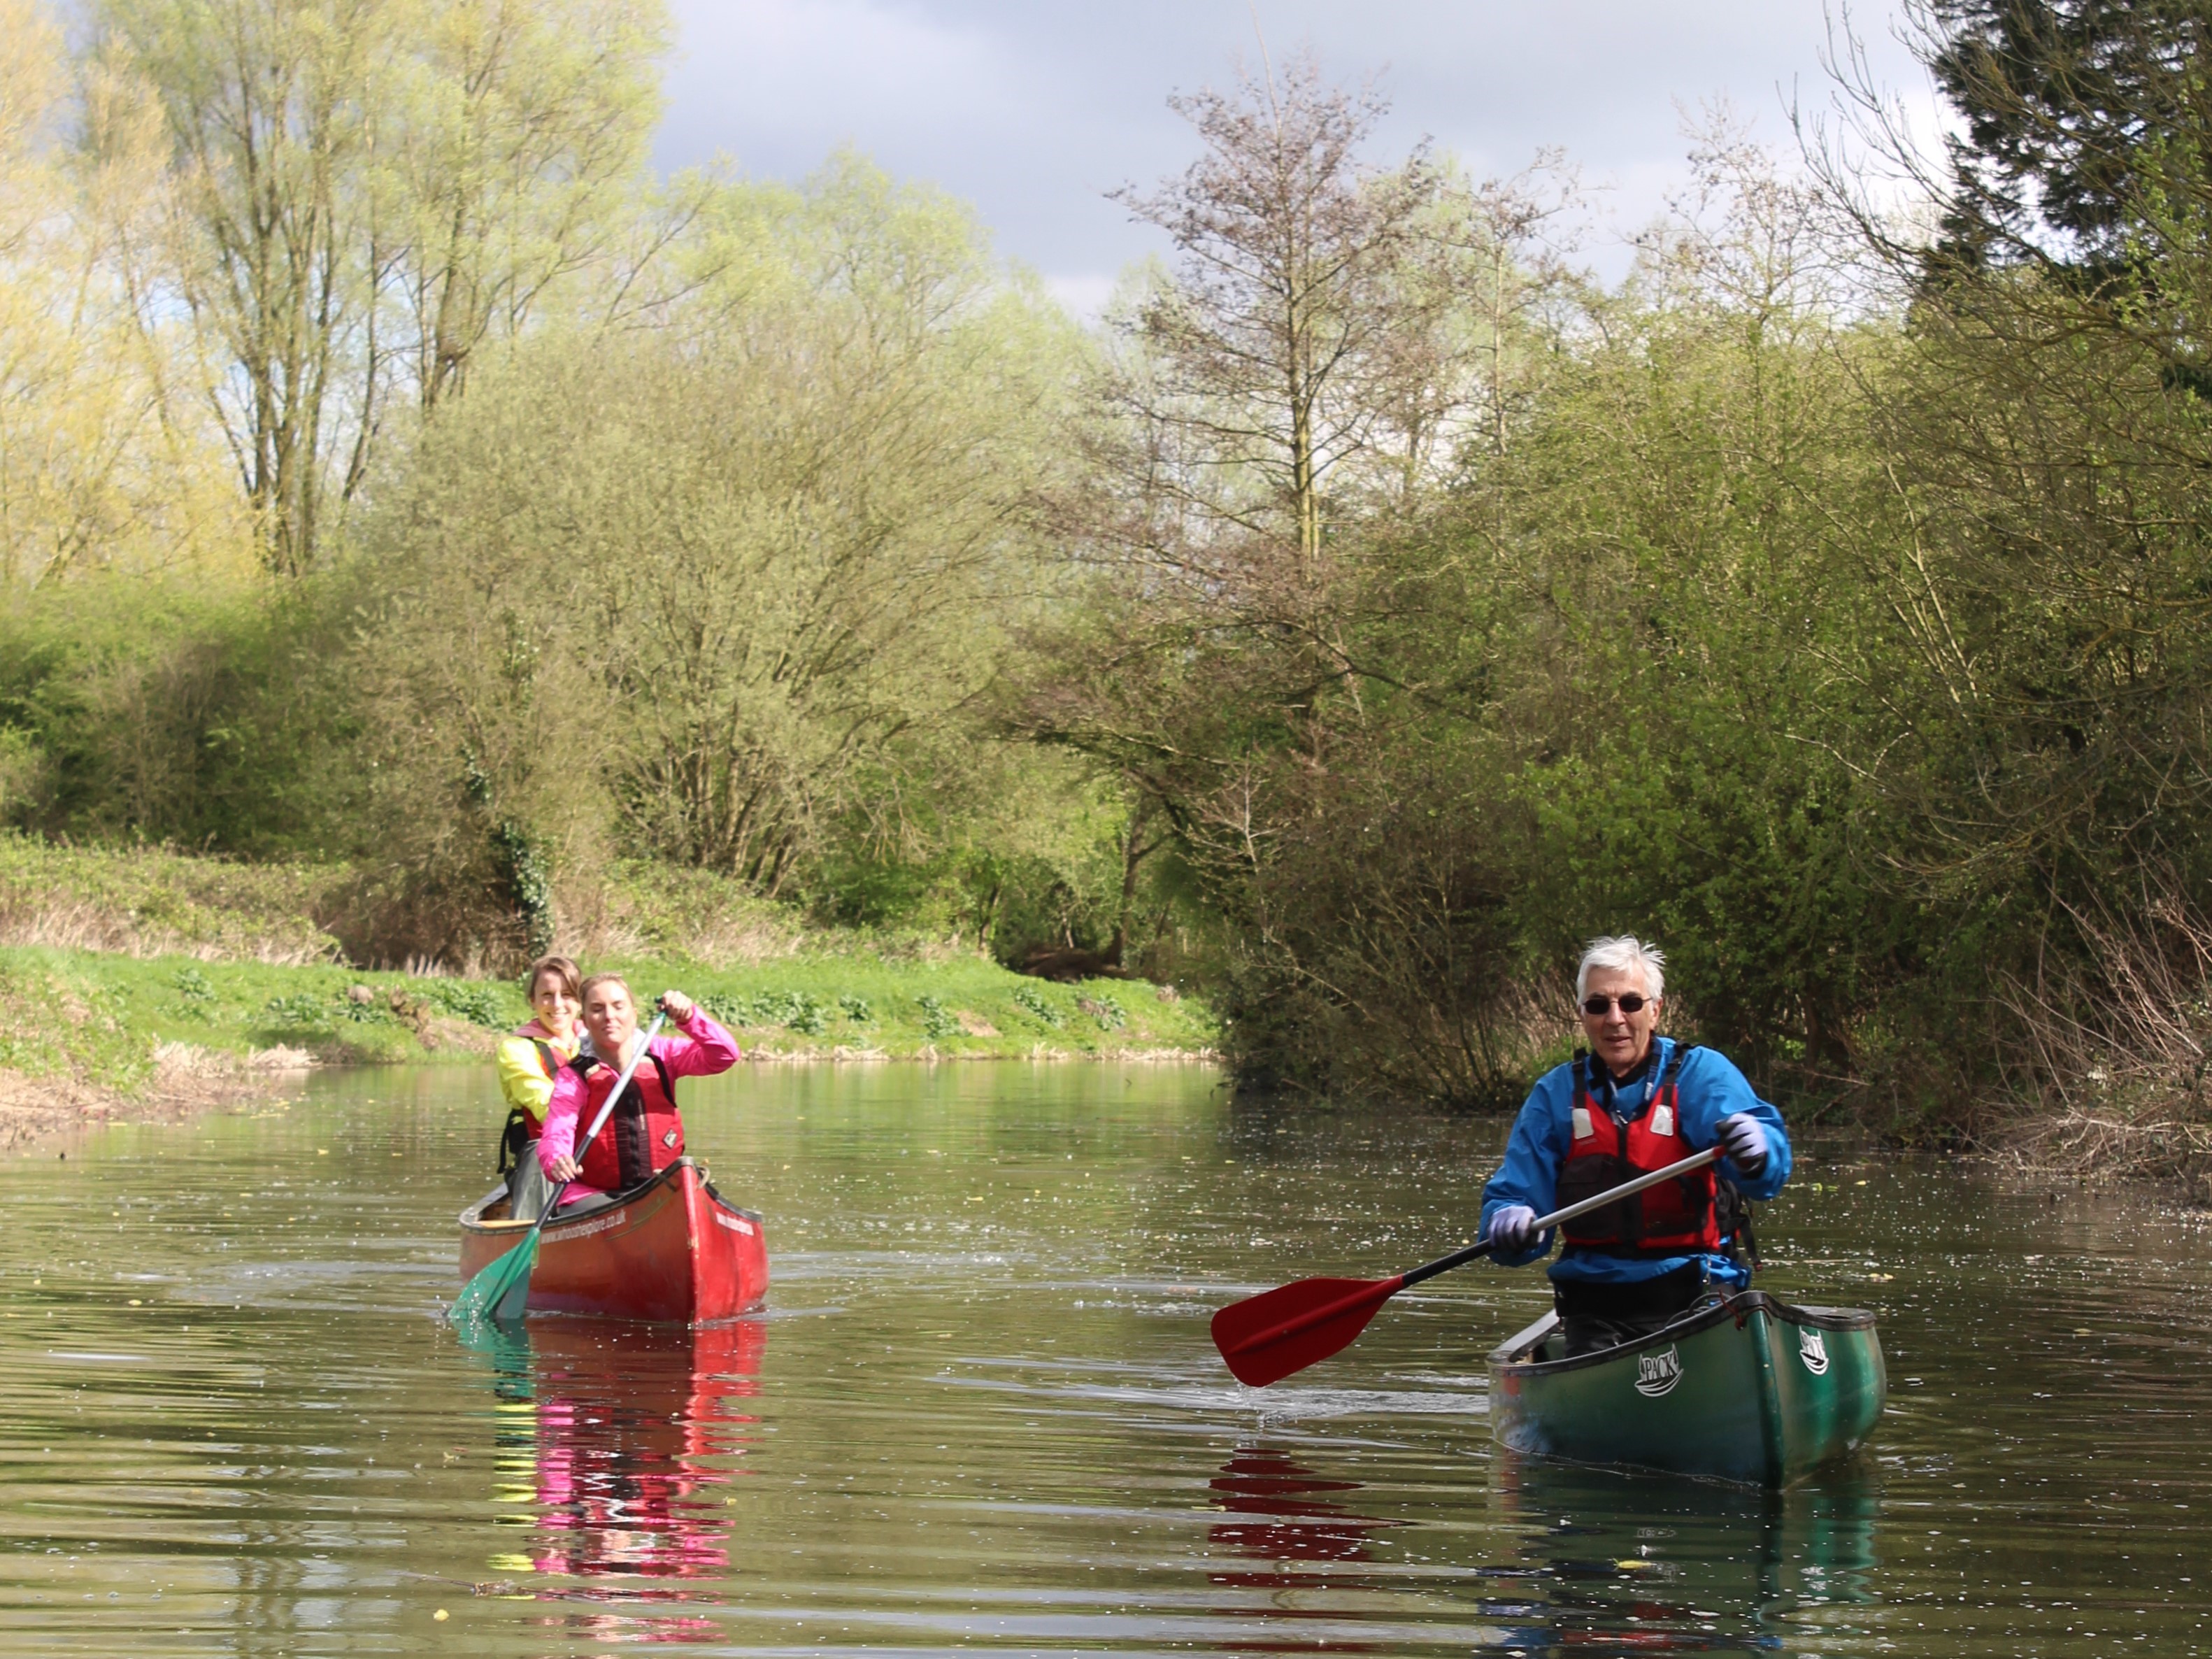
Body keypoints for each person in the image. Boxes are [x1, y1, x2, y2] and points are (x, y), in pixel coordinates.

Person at [1478, 936, 1790, 1358]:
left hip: (1696, 1290)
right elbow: (1516, 1194)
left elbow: (1768, 1176)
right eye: (1598, 1006)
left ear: (1655, 1009)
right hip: (1595, 1303)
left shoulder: (1702, 1075)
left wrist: (1760, 1152)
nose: (1615, 1019)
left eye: (1630, 1003)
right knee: (1590, 1347)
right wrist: (1507, 1219)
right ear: (1581, 1014)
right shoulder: (1554, 1096)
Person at [537, 975, 741, 1214]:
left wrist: (690, 1018)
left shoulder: (664, 1056)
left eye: (618, 1006)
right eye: (597, 1009)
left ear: (633, 1015)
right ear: (585, 1021)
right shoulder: (574, 1076)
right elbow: (557, 1131)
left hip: (661, 1187)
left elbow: (725, 1055)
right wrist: (556, 1160)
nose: (609, 1016)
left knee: (684, 1202)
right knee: (614, 1211)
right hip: (593, 1194)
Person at [495, 954, 585, 1221]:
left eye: (567, 994)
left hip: (599, 1149)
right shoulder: (516, 1049)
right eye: (547, 995)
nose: (557, 1004)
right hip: (545, 1153)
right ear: (532, 1000)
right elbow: (543, 1102)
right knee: (543, 1153)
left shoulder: (601, 1039)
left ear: (580, 1001)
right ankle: (531, 1232)